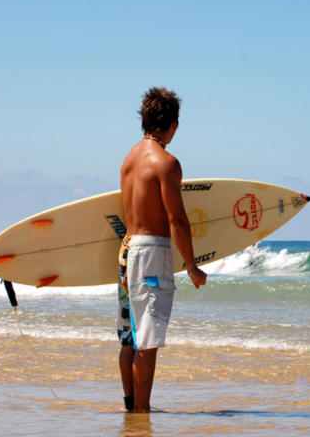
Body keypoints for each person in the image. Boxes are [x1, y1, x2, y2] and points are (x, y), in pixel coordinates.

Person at [117, 87, 207, 413]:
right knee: (148, 339)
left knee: (130, 336)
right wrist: (193, 266)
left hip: (126, 249)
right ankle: (142, 414)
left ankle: (132, 407)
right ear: (173, 125)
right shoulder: (167, 163)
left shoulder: (128, 159)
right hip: (151, 252)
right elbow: (177, 220)